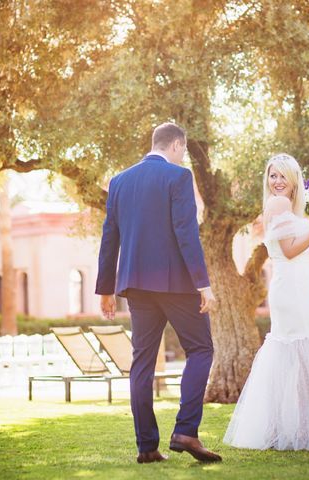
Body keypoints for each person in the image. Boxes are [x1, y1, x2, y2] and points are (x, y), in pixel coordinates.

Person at [96, 122, 222, 463]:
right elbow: (186, 232)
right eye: (182, 151)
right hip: (177, 285)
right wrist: (203, 284)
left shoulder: (119, 181)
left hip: (135, 287)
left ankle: (147, 448)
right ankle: (185, 431)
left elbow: (110, 237)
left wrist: (105, 290)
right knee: (201, 350)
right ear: (177, 145)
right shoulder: (178, 178)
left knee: (142, 364)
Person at [223, 153, 309, 451]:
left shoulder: (292, 210)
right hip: (290, 291)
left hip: (296, 288)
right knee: (300, 356)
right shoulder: (278, 203)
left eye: (283, 176)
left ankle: (295, 432)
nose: (278, 181)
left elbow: (306, 243)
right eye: (273, 175)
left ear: (295, 180)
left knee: (301, 359)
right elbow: (291, 249)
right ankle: (296, 435)